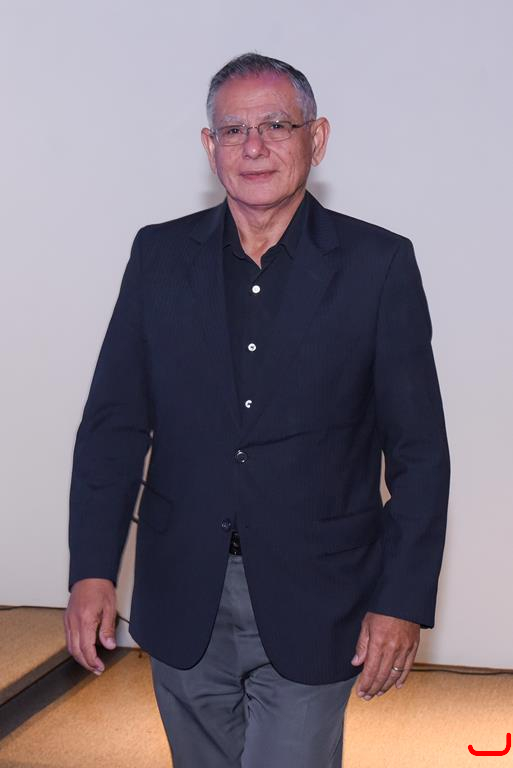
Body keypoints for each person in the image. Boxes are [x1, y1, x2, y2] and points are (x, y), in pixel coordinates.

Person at [64, 53, 450, 767]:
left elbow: (419, 453)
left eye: (276, 125)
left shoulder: (378, 266)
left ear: (316, 138)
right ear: (208, 146)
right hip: (182, 590)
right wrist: (90, 568)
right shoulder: (157, 257)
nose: (254, 147)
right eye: (233, 130)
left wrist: (401, 600)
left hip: (321, 597)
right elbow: (113, 425)